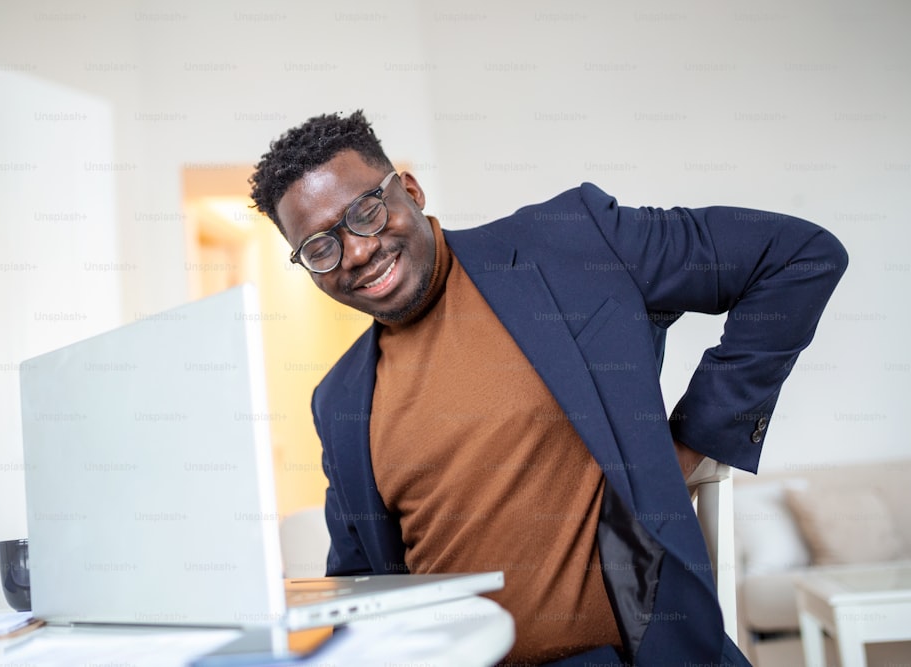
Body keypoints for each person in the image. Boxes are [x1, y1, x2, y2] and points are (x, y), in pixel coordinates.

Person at [249, 110, 847, 666]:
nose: (356, 250)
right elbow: (361, 589)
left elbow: (796, 256)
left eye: (366, 211)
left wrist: (692, 442)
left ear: (410, 188)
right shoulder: (338, 401)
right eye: (321, 247)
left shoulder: (573, 241)